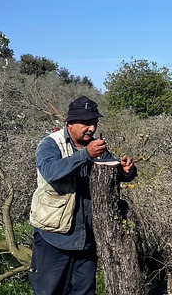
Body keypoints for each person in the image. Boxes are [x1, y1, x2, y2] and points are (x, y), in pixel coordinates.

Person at [28, 95, 137, 295]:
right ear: (70, 123)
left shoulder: (95, 147)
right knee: (49, 291)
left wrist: (126, 171)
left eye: (94, 123)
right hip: (54, 236)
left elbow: (109, 172)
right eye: (86, 123)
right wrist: (85, 155)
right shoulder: (50, 144)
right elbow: (51, 172)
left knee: (85, 292)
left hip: (86, 238)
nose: (92, 128)